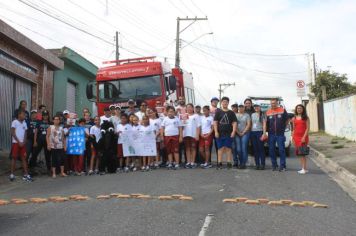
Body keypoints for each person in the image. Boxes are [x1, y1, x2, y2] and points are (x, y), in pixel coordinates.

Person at [266, 98, 289, 171]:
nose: (273, 104)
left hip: (280, 134)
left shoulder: (282, 110)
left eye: (274, 103)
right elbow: (266, 123)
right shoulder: (268, 111)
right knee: (271, 150)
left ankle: (283, 166)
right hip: (271, 134)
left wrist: (283, 128)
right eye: (272, 103)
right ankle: (274, 165)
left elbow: (287, 120)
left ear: (277, 103)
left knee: (281, 150)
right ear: (270, 104)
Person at [213, 97, 237, 169]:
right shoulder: (218, 112)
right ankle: (219, 163)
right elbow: (215, 122)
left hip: (229, 133)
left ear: (228, 103)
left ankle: (229, 163)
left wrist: (233, 131)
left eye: (226, 102)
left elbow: (234, 123)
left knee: (228, 148)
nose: (225, 103)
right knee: (220, 148)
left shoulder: (231, 113)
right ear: (221, 103)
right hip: (219, 133)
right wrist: (216, 132)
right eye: (223, 102)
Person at [9, 110, 33, 182]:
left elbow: (26, 133)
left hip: (23, 144)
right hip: (16, 143)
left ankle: (26, 174)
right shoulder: (14, 122)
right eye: (23, 114)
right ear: (19, 115)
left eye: (25, 115)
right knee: (14, 158)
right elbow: (12, 133)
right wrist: (19, 141)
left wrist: (24, 142)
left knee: (24, 158)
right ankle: (12, 174)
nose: (25, 116)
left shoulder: (24, 123)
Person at [292, 104, 310, 174]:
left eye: (300, 108)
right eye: (298, 108)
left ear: (303, 109)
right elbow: (294, 129)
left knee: (303, 154)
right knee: (300, 154)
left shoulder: (306, 118)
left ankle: (304, 169)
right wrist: (292, 137)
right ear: (296, 109)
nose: (299, 109)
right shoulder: (294, 118)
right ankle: (303, 168)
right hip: (296, 137)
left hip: (303, 138)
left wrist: (304, 137)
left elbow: (308, 128)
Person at [183, 103, 201, 168]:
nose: (189, 109)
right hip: (185, 135)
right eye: (187, 107)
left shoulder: (196, 116)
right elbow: (181, 125)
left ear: (193, 108)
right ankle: (188, 162)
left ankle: (193, 162)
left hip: (193, 135)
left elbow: (198, 126)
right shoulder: (184, 115)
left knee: (193, 148)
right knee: (187, 148)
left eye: (190, 107)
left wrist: (197, 135)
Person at [250, 104, 267, 170]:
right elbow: (251, 124)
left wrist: (264, 134)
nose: (256, 108)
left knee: (261, 149)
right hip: (253, 132)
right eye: (255, 107)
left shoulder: (263, 114)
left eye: (257, 107)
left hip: (259, 132)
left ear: (260, 107)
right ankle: (257, 164)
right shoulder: (252, 114)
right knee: (255, 149)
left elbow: (264, 125)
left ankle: (262, 164)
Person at [235, 104, 251, 169]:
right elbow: (234, 125)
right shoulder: (235, 115)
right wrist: (238, 132)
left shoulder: (247, 115)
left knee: (244, 148)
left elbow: (248, 124)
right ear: (238, 108)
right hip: (237, 133)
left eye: (242, 107)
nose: (241, 109)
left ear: (244, 108)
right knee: (238, 149)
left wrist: (243, 132)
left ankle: (243, 163)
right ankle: (240, 162)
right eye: (240, 107)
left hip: (245, 133)